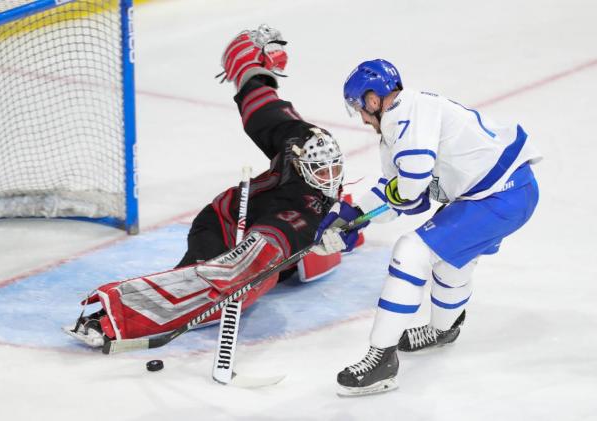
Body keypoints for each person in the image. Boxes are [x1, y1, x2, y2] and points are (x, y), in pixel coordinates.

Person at [64, 25, 345, 348]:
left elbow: (268, 113)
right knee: (234, 285)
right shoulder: (296, 182)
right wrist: (251, 67)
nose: (330, 177)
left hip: (266, 231)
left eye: (334, 169)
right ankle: (111, 315)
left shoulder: (311, 146)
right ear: (299, 164)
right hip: (221, 226)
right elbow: (263, 113)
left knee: (262, 275)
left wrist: (346, 230)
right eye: (320, 171)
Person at [314, 59, 541, 396]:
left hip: (498, 197)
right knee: (452, 260)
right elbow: (398, 191)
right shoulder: (396, 127)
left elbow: (409, 189)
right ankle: (443, 329)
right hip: (500, 193)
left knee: (411, 252)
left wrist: (360, 222)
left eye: (359, 107)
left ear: (373, 99)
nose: (361, 117)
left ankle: (381, 360)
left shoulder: (408, 113)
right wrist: (351, 214)